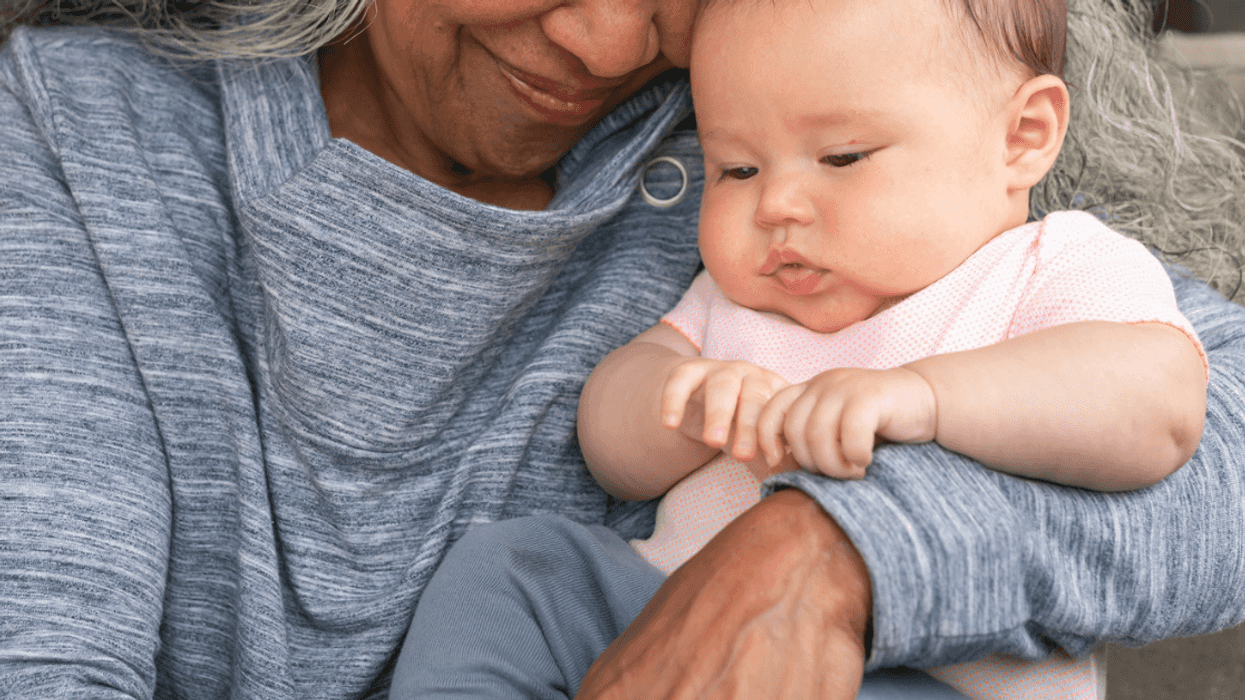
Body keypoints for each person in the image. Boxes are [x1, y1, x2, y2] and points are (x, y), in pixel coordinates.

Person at [1, 1, 1244, 699]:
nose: (605, 44)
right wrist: (686, 404)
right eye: (739, 163)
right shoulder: (80, 138)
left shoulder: (807, 75)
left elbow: (1201, 424)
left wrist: (844, 548)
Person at [385, 0, 1209, 698]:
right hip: (658, 608)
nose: (776, 202)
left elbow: (1158, 406)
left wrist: (927, 398)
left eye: (842, 157)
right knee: (512, 570)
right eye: (735, 168)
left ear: (1023, 137)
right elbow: (608, 439)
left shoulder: (1046, 267)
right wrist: (688, 404)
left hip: (927, 666)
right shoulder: (739, 298)